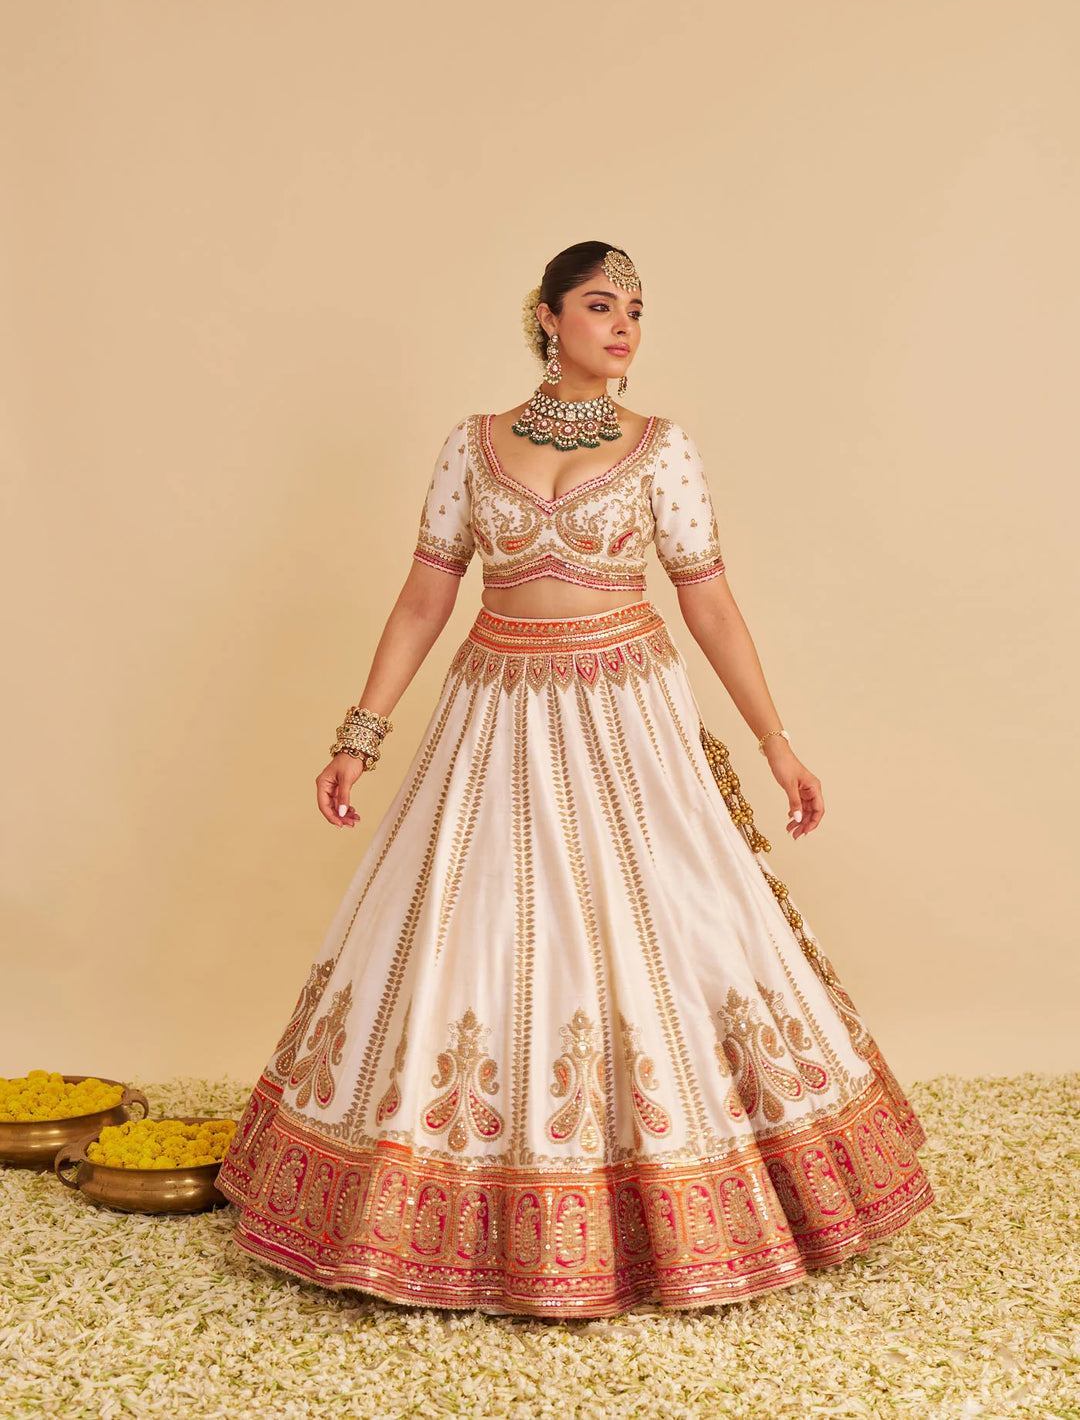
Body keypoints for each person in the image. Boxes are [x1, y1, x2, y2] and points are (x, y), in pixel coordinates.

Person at [215, 240, 935, 1318]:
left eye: (636, 309)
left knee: (669, 922)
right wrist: (362, 732)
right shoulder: (472, 444)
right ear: (548, 318)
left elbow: (709, 603)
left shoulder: (662, 448)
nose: (625, 325)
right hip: (494, 711)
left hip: (626, 713)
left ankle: (678, 1198)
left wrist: (775, 742)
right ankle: (442, 1206)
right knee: (476, 927)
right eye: (602, 305)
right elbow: (425, 598)